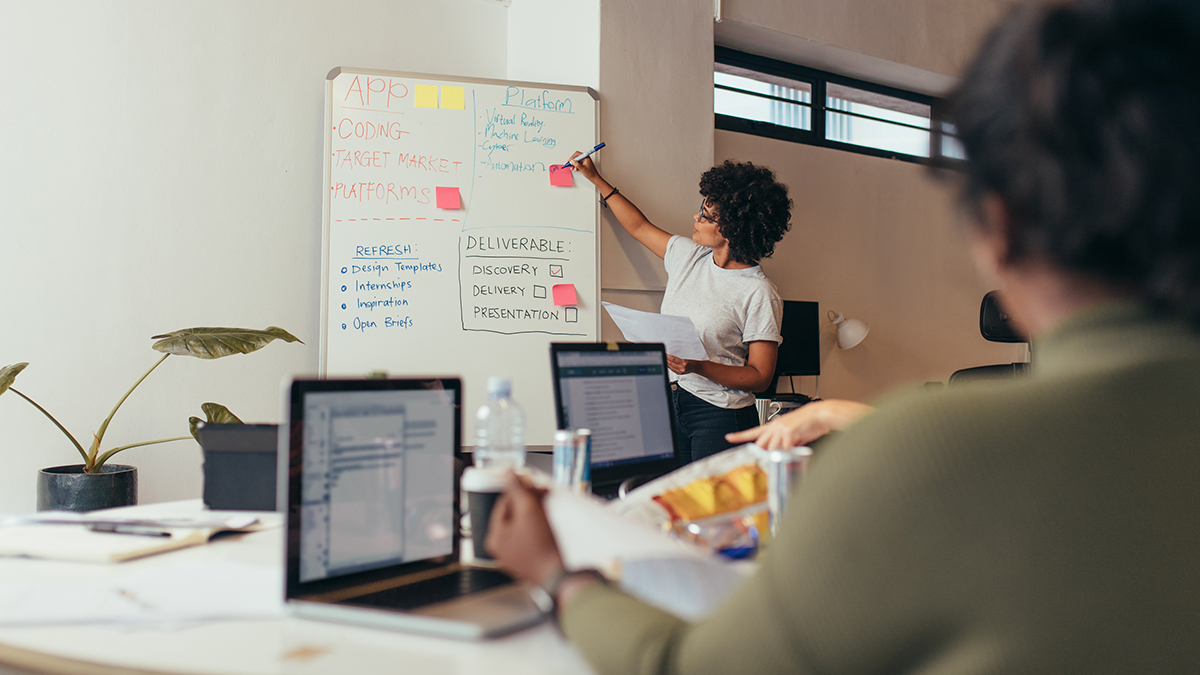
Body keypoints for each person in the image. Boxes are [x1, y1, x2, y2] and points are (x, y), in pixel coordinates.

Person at [487, 0, 1200, 672]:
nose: (699, 217)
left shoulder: (923, 445)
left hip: (714, 418)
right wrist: (599, 182)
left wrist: (556, 573)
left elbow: (699, 665)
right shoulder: (696, 261)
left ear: (997, 227)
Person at [569, 153, 793, 464]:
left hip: (720, 416)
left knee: (709, 509)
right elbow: (638, 227)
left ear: (732, 229)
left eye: (706, 216)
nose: (695, 217)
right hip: (671, 402)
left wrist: (697, 366)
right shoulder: (689, 257)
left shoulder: (758, 291)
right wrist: (595, 179)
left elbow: (760, 376)